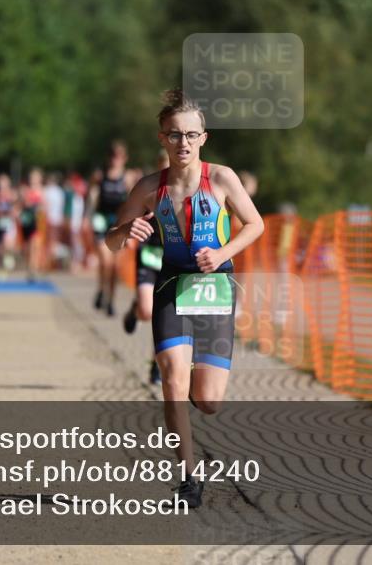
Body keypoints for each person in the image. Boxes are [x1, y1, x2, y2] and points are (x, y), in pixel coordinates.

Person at [104, 89, 264, 508]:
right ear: (162, 139)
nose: (183, 143)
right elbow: (111, 241)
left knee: (207, 400)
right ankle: (188, 478)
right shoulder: (148, 187)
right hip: (172, 285)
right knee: (173, 383)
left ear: (203, 138)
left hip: (214, 287)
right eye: (175, 135)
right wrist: (127, 233)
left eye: (191, 135)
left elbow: (256, 224)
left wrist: (223, 253)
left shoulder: (223, 178)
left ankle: (194, 390)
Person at [123, 149, 172, 385]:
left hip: (171, 260)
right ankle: (134, 310)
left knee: (161, 316)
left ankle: (156, 362)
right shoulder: (147, 191)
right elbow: (125, 219)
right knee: (146, 311)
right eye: (163, 165)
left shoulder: (185, 192)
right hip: (148, 256)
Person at [89, 141, 130, 316]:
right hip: (100, 219)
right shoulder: (99, 176)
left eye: (119, 156)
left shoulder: (128, 178)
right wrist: (86, 218)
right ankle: (101, 289)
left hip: (118, 223)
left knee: (115, 267)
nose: (116, 159)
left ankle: (111, 300)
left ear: (125, 158)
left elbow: (133, 201)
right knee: (105, 261)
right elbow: (91, 198)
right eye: (113, 155)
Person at [0, 173, 19, 279]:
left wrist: (10, 211)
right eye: (0, 183)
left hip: (8, 225)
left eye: (4, 183)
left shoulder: (13, 195)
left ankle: (9, 261)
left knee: (7, 246)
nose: (2, 185)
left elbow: (16, 211)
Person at [19, 169, 45, 282]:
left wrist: (39, 207)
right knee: (27, 248)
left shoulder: (42, 191)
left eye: (36, 178)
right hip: (26, 222)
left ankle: (32, 270)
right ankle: (29, 266)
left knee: (36, 245)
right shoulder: (25, 191)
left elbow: (44, 206)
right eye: (32, 178)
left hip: (37, 222)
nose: (33, 180)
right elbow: (22, 205)